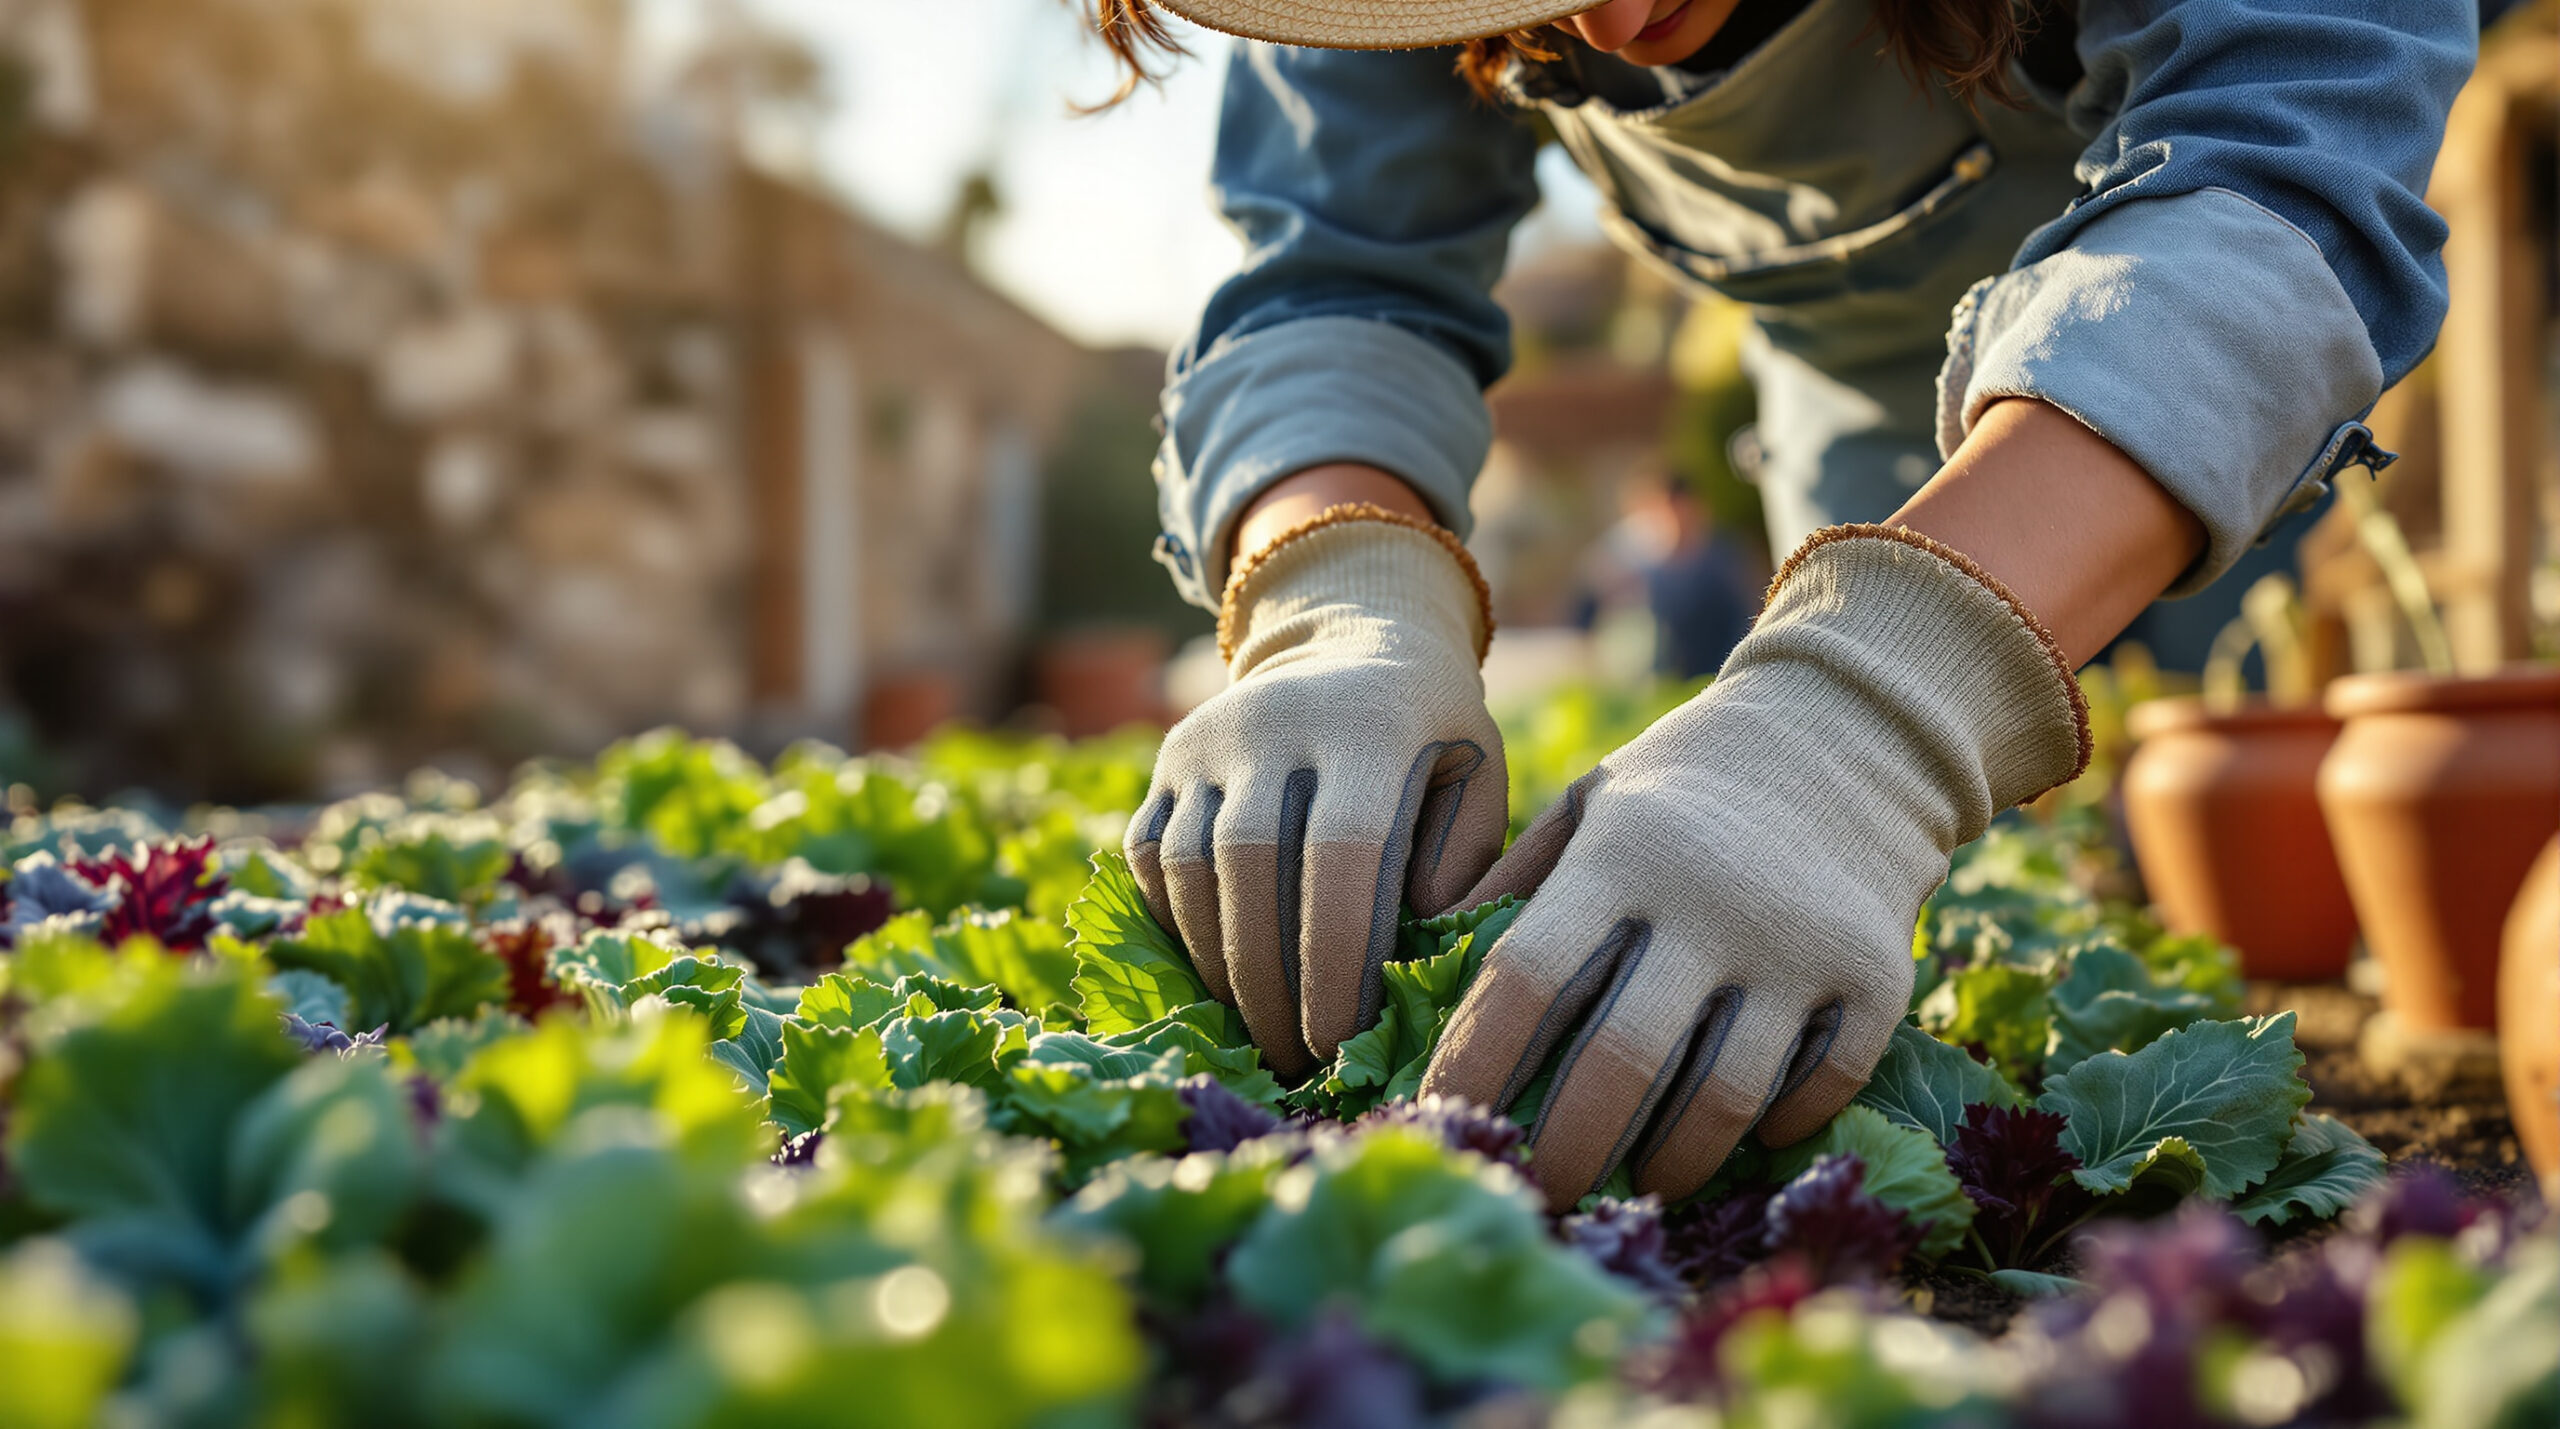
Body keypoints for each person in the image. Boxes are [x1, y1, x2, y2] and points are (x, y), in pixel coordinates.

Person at [1104, 0, 2472, 1209]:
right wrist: (1339, 597)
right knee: (1966, 900)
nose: (1620, 27)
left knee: (2285, 836)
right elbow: (1336, 271)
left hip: (2286, 369)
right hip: (1870, 434)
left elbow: (2292, 150)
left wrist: (1888, 695)